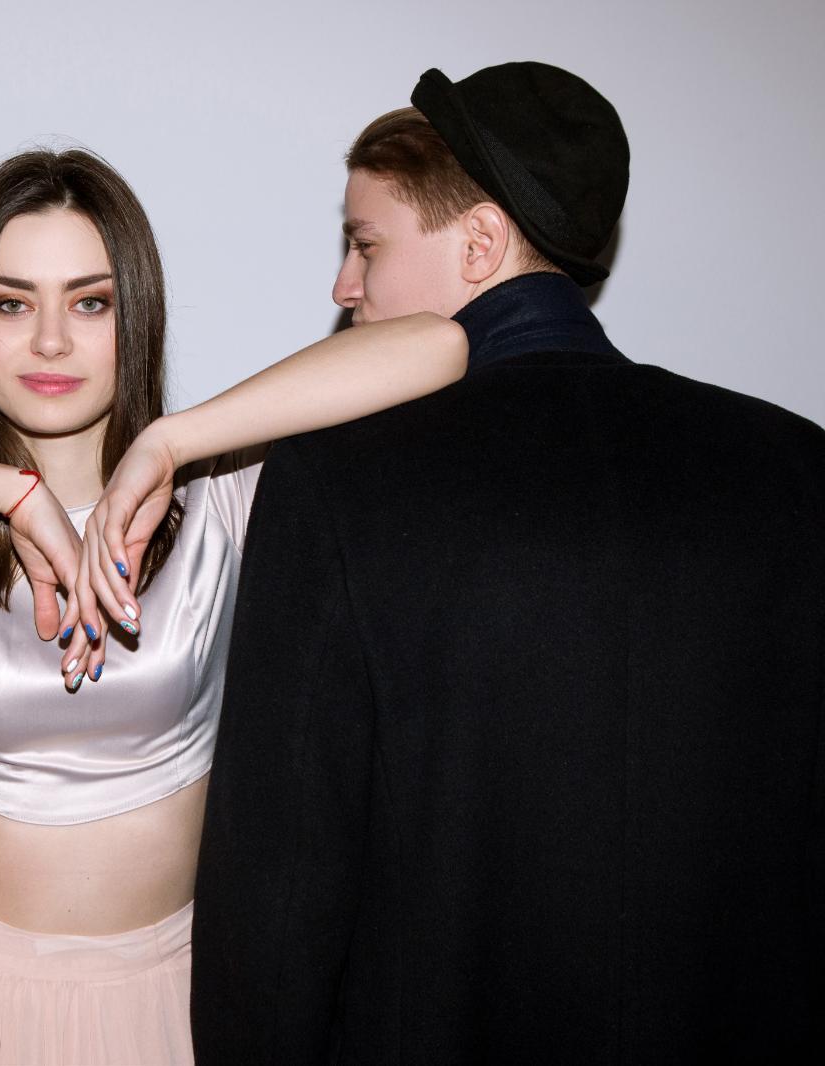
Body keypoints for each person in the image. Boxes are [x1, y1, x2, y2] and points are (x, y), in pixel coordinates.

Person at [0, 148, 466, 1063]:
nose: (52, 342)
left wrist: (172, 444)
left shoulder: (219, 498)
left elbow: (438, 345)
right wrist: (9, 495)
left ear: (135, 317)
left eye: (91, 303)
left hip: (180, 999)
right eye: (12, 304)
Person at [176, 62, 825, 1062]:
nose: (343, 286)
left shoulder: (338, 483)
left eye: (364, 244)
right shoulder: (797, 472)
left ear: (479, 243)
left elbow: (278, 905)